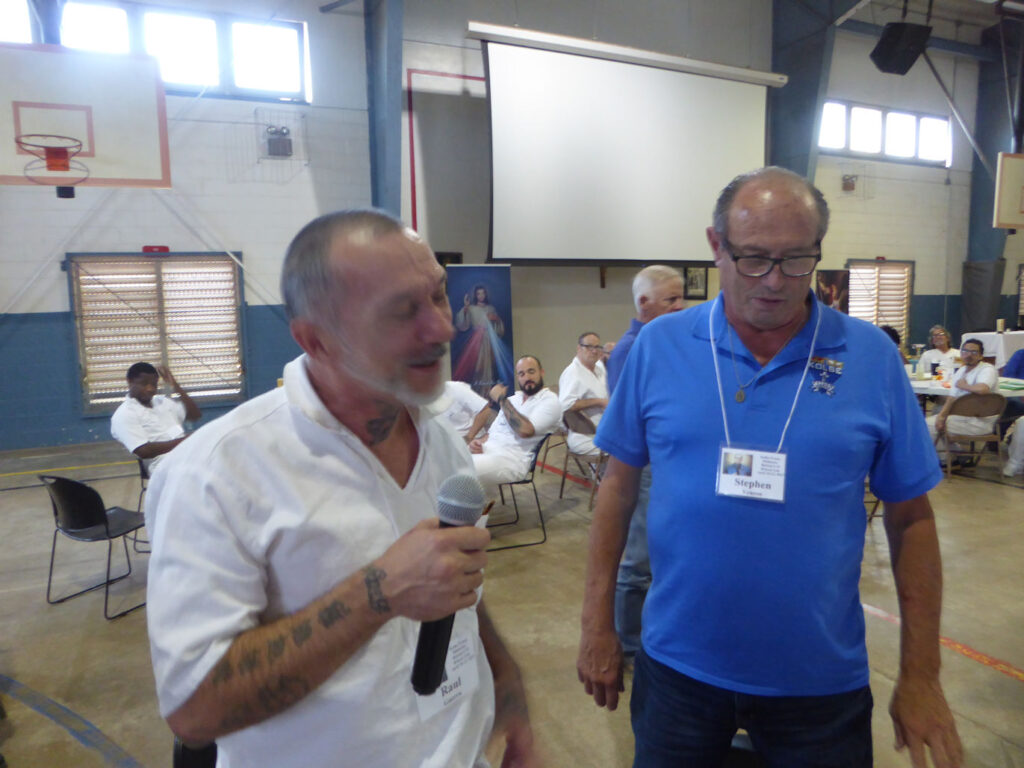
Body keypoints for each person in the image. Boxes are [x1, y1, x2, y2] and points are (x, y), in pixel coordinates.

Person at [577, 167, 961, 767]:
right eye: (753, 258)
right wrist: (596, 624)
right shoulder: (661, 346)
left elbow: (911, 520)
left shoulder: (871, 359)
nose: (775, 281)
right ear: (716, 246)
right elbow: (618, 491)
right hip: (679, 672)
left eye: (797, 260)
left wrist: (921, 674)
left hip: (818, 684)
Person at [145, 210, 537, 768]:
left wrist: (507, 686)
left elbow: (456, 588)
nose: (443, 329)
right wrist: (378, 592)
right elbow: (194, 711)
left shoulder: (441, 440)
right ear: (317, 340)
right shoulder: (217, 472)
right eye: (402, 311)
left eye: (437, 296)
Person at [604, 264, 685, 661]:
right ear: (644, 302)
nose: (680, 306)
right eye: (671, 299)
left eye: (681, 297)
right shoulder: (630, 351)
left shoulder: (664, 342)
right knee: (637, 560)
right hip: (643, 468)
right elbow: (628, 425)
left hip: (666, 465)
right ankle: (630, 646)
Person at [469, 356, 561, 486]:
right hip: (488, 449)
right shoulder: (513, 400)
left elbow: (525, 431)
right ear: (518, 378)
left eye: (531, 371)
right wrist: (478, 443)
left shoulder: (550, 401)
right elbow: (491, 433)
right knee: (447, 460)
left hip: (512, 459)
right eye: (522, 374)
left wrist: (501, 399)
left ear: (542, 372)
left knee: (460, 472)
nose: (527, 377)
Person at [110, 362, 201, 467]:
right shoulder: (124, 414)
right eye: (144, 384)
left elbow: (194, 415)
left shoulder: (163, 402)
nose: (150, 389)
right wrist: (185, 441)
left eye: (154, 384)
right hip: (165, 466)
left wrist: (174, 385)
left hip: (189, 456)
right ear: (130, 382)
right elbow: (144, 451)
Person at [927, 338, 1000, 455]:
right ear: (961, 354)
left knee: (927, 427)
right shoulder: (961, 371)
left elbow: (983, 389)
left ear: (981, 356)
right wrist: (941, 416)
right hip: (960, 418)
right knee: (931, 424)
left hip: (979, 421)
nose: (969, 355)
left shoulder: (987, 369)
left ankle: (949, 458)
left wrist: (964, 386)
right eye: (965, 351)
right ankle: (956, 454)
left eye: (974, 352)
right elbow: (951, 398)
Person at [454, 283, 512, 396]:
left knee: (489, 367)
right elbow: (462, 324)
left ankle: (488, 394)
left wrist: (496, 319)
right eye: (478, 294)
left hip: (490, 340)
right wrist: (465, 308)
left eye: (483, 293)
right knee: (477, 367)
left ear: (486, 294)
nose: (481, 296)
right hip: (476, 341)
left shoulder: (491, 308)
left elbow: (498, 328)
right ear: (475, 295)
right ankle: (477, 394)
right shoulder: (471, 308)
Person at [557, 332, 609, 456]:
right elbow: (566, 406)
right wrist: (598, 402)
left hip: (606, 431)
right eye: (589, 347)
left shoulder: (599, 369)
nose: (594, 351)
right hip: (585, 437)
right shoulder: (572, 373)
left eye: (597, 347)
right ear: (579, 348)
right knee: (625, 454)